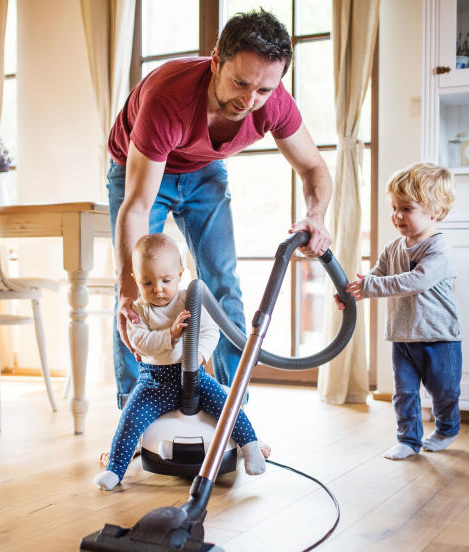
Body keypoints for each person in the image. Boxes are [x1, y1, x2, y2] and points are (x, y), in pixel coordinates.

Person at [107, 8, 333, 408]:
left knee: (223, 285)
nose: (249, 101)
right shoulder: (168, 97)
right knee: (135, 294)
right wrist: (126, 287)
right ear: (216, 62)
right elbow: (138, 205)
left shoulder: (273, 102)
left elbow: (314, 167)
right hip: (141, 171)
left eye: (263, 90)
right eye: (240, 83)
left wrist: (316, 216)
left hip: (204, 170)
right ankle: (134, 412)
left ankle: (232, 412)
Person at [94, 234, 269, 491]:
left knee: (226, 405)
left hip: (194, 377)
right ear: (135, 280)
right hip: (153, 382)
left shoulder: (191, 298)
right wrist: (171, 335)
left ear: (180, 273)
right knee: (130, 419)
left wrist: (198, 355)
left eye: (166, 280)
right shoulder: (138, 310)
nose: (158, 289)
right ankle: (115, 470)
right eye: (147, 282)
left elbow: (211, 332)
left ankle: (250, 447)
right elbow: (140, 342)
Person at [336, 162, 462, 460]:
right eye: (394, 207)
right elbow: (377, 278)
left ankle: (446, 429)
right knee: (404, 392)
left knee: (443, 393)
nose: (396, 216)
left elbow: (417, 281)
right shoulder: (393, 248)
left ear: (435, 210)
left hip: (439, 337)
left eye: (406, 209)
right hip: (402, 336)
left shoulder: (438, 249)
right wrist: (353, 293)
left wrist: (371, 287)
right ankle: (408, 439)